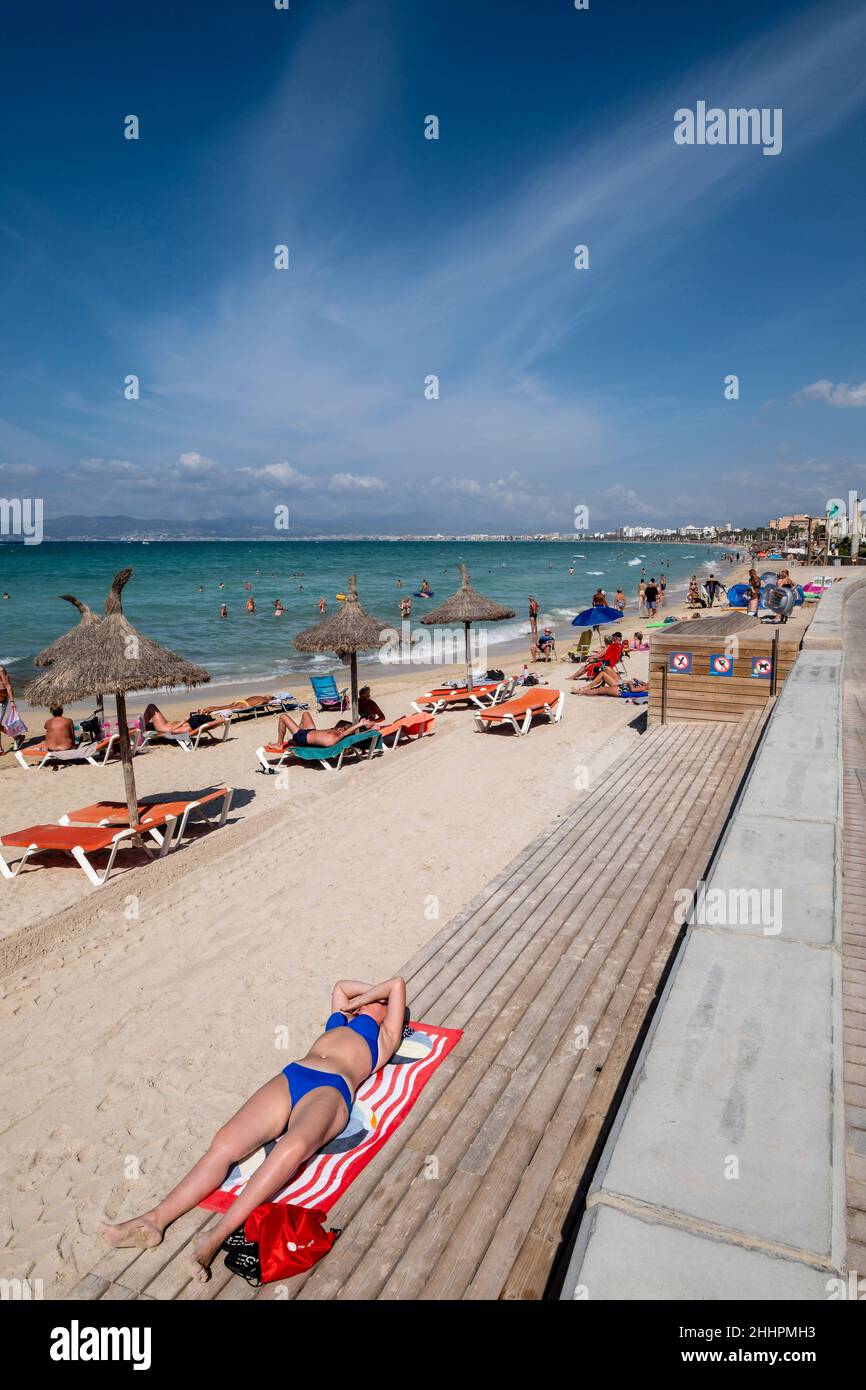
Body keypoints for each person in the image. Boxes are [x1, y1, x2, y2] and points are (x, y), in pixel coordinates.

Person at [101, 976, 407, 1282]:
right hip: (294, 1075)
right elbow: (340, 985)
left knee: (293, 1147)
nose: (376, 1003)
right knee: (225, 1143)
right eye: (372, 999)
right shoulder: (342, 1017)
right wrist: (363, 1002)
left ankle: (215, 1237)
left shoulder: (384, 1037)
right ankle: (154, 1220)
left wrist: (364, 1001)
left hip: (331, 1089)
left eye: (382, 1004)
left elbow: (395, 984)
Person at [275, 709, 375, 748]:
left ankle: (280, 743)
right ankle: (295, 739)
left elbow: (346, 733)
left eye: (341, 729)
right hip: (308, 732)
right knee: (305, 714)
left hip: (303, 737)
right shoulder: (335, 733)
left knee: (283, 716)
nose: (339, 729)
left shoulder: (335, 738)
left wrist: (360, 724)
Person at [143, 704, 218, 736]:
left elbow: (171, 732)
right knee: (151, 711)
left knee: (151, 706)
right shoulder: (192, 726)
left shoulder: (187, 729)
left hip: (162, 727)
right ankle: (141, 726)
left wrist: (182, 722)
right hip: (167, 724)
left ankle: (139, 728)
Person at [574, 669, 648, 698]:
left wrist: (630, 683)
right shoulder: (648, 685)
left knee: (600, 688)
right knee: (607, 669)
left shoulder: (648, 687)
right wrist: (637, 680)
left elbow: (633, 690)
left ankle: (582, 690)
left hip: (622, 688)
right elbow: (642, 685)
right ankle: (598, 684)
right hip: (624, 685)